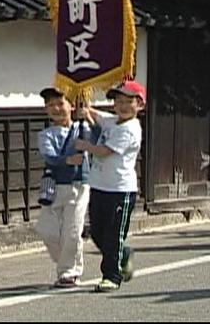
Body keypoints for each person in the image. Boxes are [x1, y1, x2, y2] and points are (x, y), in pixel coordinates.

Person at [74, 80, 146, 292]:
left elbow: (105, 151)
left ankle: (112, 276)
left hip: (120, 190)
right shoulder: (113, 121)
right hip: (99, 187)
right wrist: (85, 107)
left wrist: (86, 146)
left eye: (128, 101)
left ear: (140, 104)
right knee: (97, 232)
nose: (122, 106)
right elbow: (98, 117)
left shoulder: (131, 129)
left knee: (114, 235)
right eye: (118, 101)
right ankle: (123, 254)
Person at [35, 87, 95, 288]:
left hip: (78, 184)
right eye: (50, 105)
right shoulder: (45, 135)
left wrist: (88, 117)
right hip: (53, 187)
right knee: (46, 230)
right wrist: (67, 159)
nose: (56, 108)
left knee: (72, 230)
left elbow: (95, 140)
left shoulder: (81, 128)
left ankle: (68, 272)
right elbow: (49, 156)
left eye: (60, 103)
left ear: (71, 105)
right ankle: (68, 261)